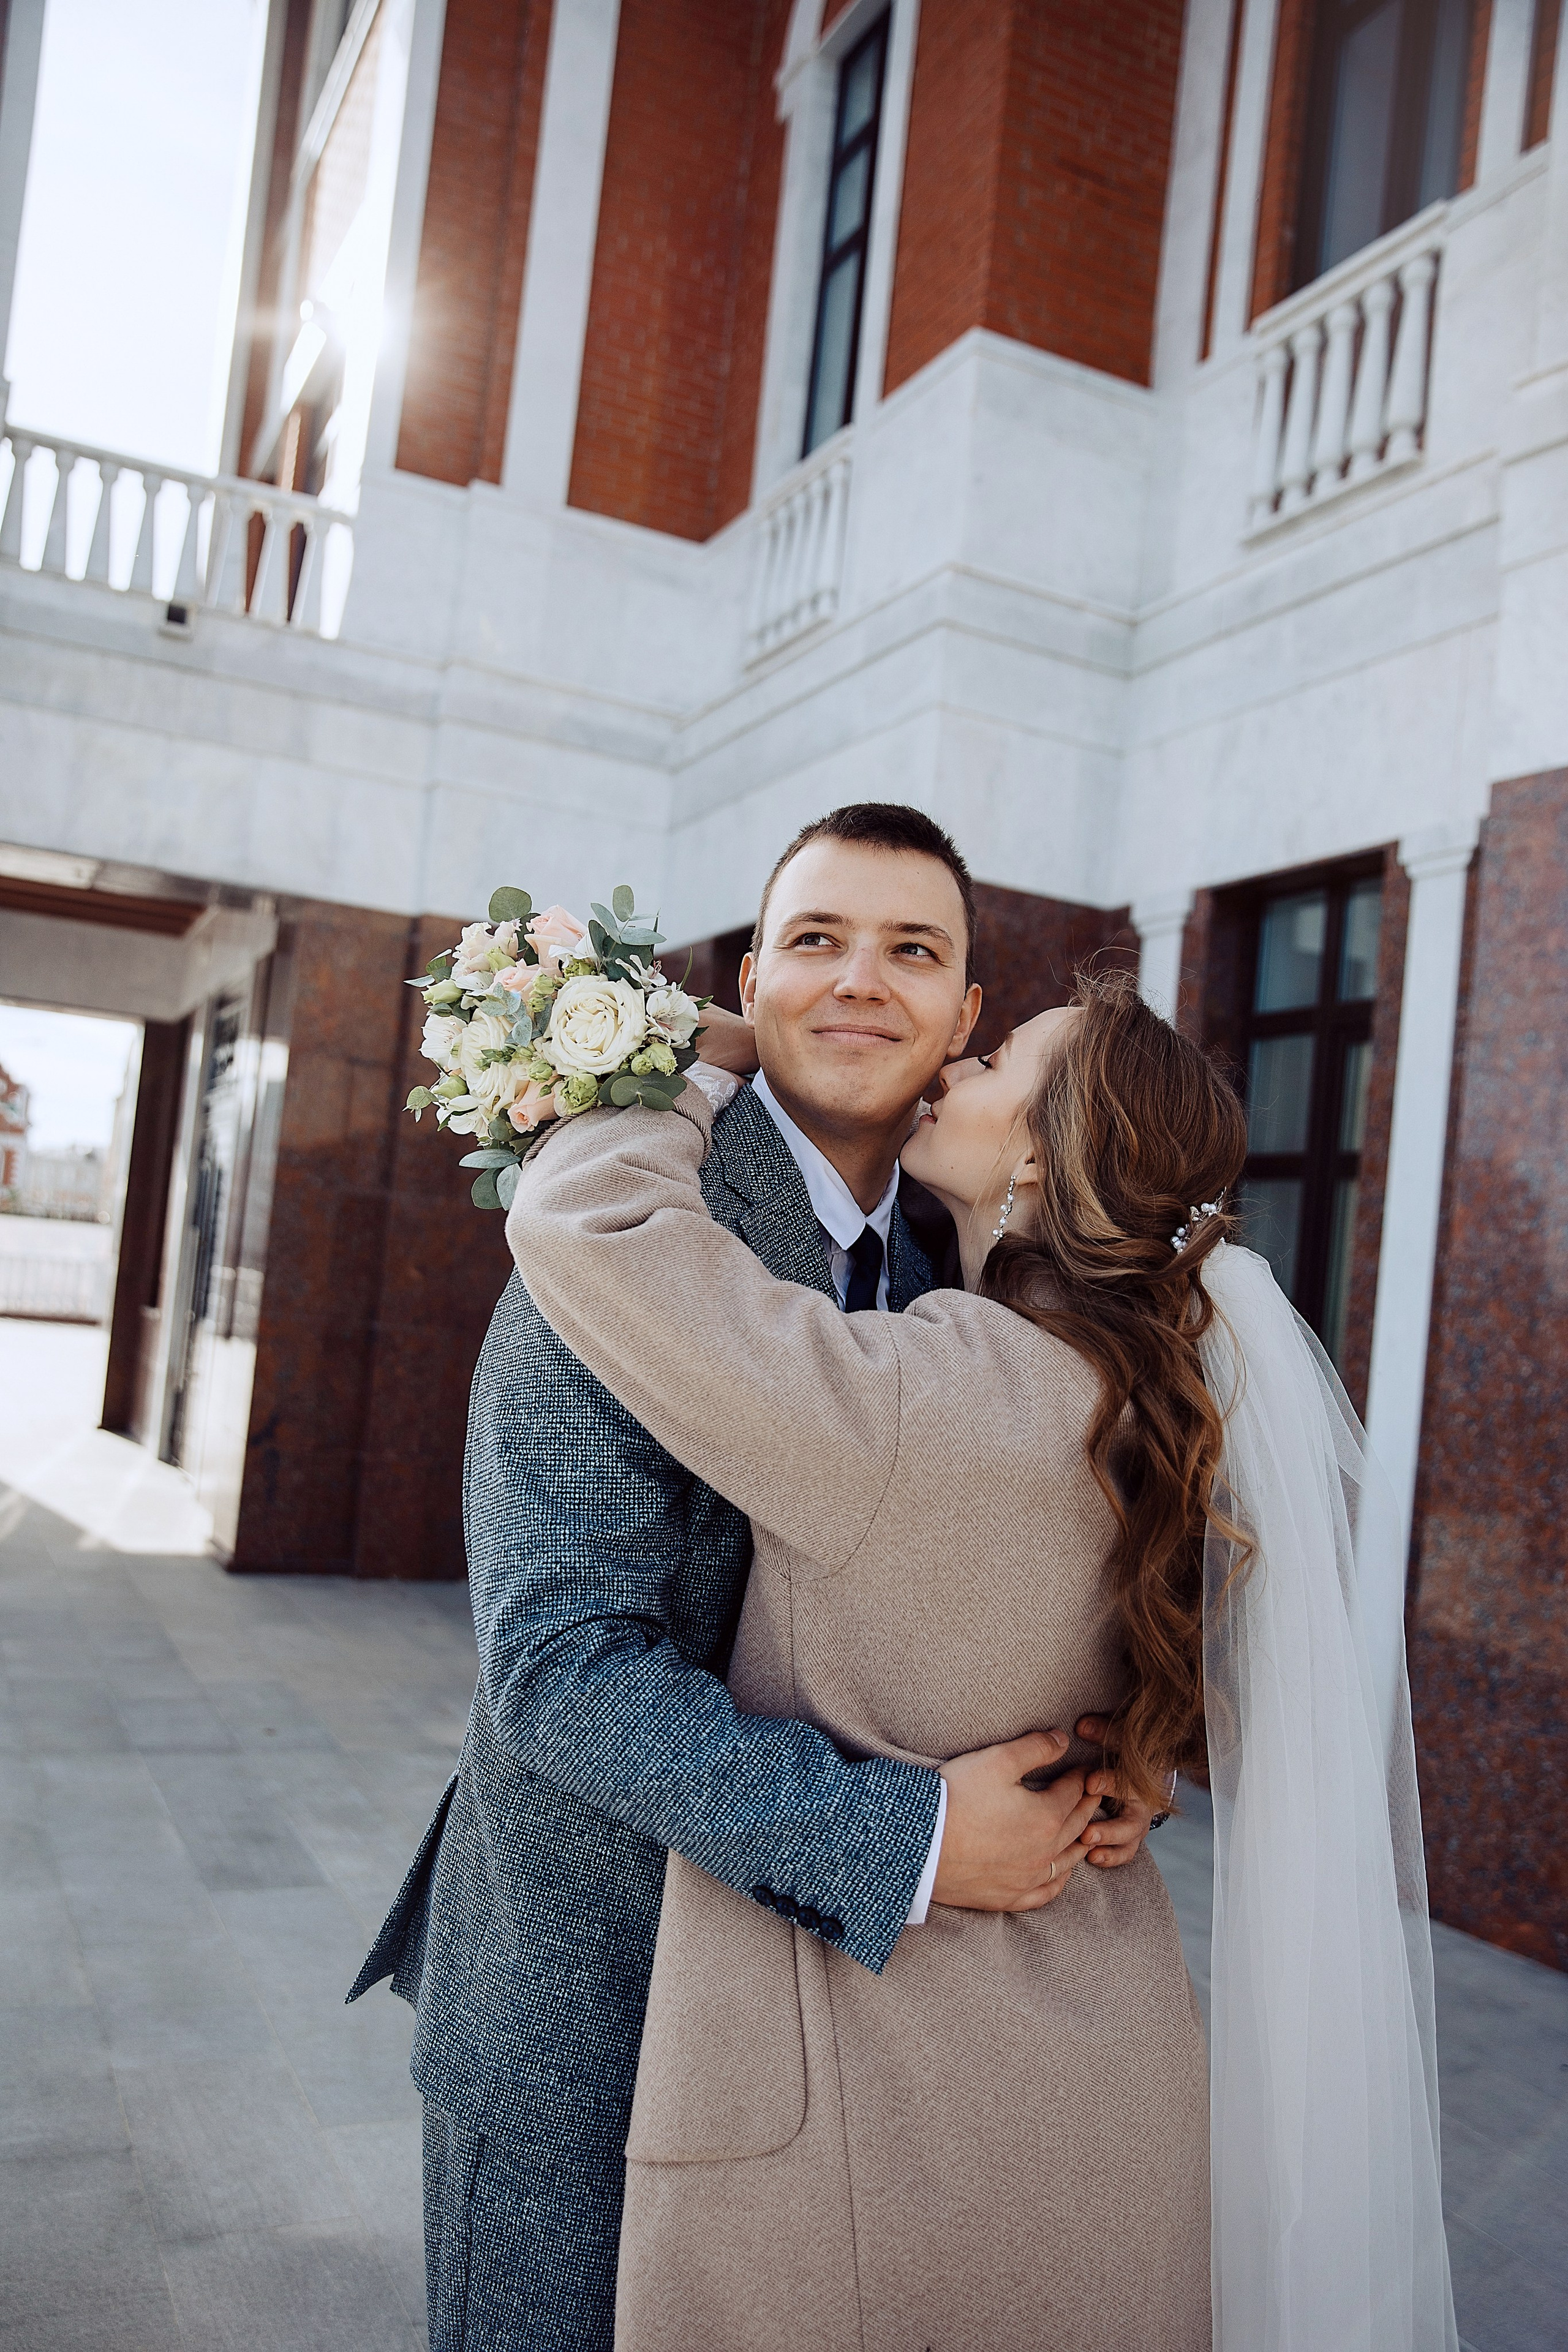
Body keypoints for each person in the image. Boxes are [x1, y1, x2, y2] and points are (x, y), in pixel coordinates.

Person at [510, 973, 1458, 2352]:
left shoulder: (927, 1399)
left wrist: (692, 1064)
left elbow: (588, 1223)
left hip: (888, 2130)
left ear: (1039, 1152)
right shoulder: (1162, 1405)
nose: (958, 1057)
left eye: (1003, 1055)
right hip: (1100, 2094)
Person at [347, 805, 1158, 2352]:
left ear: (967, 1018)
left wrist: (1118, 1749)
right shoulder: (626, 1241)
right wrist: (908, 1836)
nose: (862, 983)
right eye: (814, 941)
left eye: (912, 951)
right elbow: (556, 1669)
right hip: (593, 2006)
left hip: (857, 2043)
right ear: (751, 979)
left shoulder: (970, 1260)